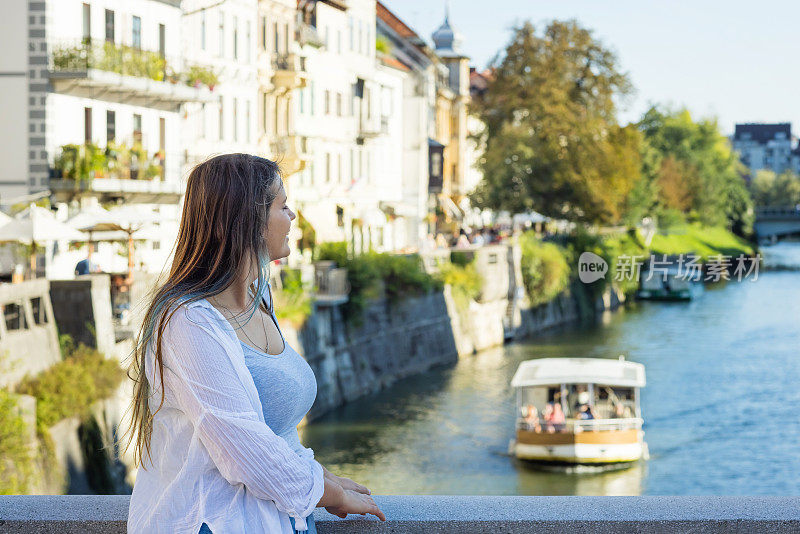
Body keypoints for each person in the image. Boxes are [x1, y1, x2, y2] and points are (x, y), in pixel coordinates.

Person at [122, 154, 385, 534]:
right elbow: (243, 446)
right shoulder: (187, 320)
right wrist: (332, 495)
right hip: (213, 522)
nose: (293, 216)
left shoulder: (260, 296)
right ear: (249, 221)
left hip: (276, 519)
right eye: (282, 206)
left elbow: (276, 431)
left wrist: (323, 478)